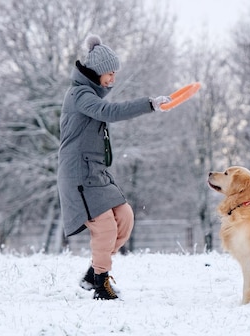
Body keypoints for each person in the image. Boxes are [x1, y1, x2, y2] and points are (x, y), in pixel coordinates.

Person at [57, 34, 172, 300]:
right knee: (105, 226)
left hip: (95, 171)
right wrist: (150, 104)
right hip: (78, 174)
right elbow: (109, 112)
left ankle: (92, 274)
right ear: (97, 72)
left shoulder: (88, 94)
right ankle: (101, 283)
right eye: (110, 73)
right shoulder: (79, 95)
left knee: (125, 217)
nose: (113, 79)